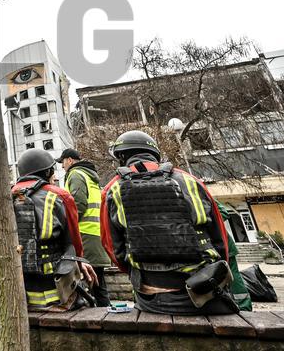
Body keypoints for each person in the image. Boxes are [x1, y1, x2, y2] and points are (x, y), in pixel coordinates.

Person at [101, 130, 237, 315]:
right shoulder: (190, 181)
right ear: (155, 155)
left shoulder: (112, 190)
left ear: (122, 157)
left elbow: (113, 248)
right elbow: (220, 238)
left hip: (151, 297)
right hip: (206, 291)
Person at [13, 148, 97, 310]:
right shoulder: (59, 196)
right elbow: (73, 241)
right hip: (55, 290)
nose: (55, 177)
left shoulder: (6, 197)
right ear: (48, 172)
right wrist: (79, 262)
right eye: (53, 172)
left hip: (17, 292)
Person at [59, 148, 111, 307]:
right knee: (97, 284)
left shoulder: (76, 175)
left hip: (85, 236)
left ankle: (102, 319)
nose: (62, 167)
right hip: (96, 235)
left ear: (69, 160)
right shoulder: (90, 176)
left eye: (62, 162)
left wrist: (66, 229)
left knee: (88, 284)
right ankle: (107, 315)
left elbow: (78, 205)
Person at [219, 206, 253, 310]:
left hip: (224, 246)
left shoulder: (200, 195)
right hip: (213, 246)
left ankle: (243, 305)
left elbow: (223, 212)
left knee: (233, 276)